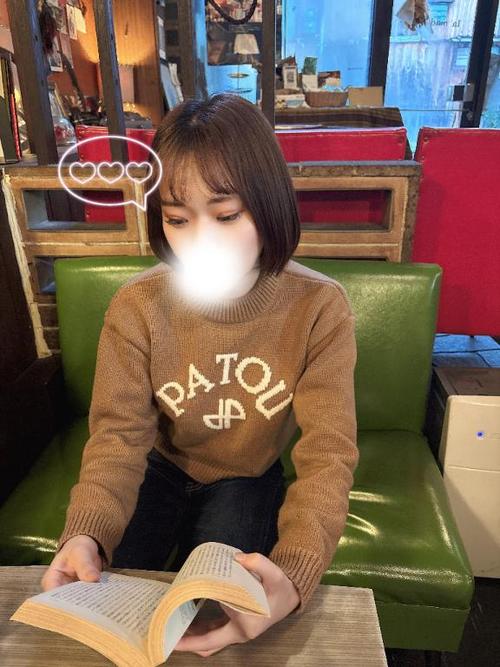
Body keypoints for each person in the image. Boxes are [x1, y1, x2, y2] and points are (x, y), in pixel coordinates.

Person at [40, 93, 359, 657]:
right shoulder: (138, 306)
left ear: (269, 204)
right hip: (158, 468)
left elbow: (328, 454)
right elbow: (118, 436)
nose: (201, 242)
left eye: (226, 215)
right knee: (107, 595)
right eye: (177, 219)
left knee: (216, 610)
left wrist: (295, 572)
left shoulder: (318, 307)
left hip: (246, 475)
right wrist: (85, 532)